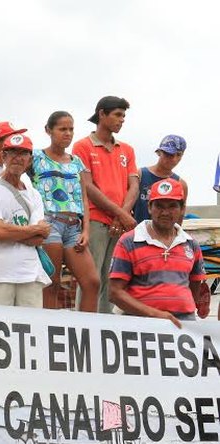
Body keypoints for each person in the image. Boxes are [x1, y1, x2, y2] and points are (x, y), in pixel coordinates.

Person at [72, 95, 139, 313]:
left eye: (124, 116)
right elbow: (88, 187)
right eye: (117, 115)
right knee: (91, 279)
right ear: (102, 114)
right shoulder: (82, 146)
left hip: (121, 223)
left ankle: (106, 327)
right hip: (96, 221)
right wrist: (122, 214)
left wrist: (123, 215)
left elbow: (134, 185)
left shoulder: (126, 149)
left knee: (114, 279)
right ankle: (84, 327)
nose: (122, 120)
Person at [110, 178, 206, 326]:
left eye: (172, 206)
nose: (165, 212)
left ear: (182, 209)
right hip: (141, 324)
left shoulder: (191, 244)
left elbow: (195, 287)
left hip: (184, 326)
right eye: (159, 206)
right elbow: (115, 292)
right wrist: (155, 314)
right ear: (149, 207)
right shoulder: (128, 242)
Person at [31, 111, 100, 311]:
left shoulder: (76, 161)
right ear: (48, 130)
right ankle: (47, 331)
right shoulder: (36, 156)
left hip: (74, 227)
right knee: (51, 283)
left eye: (71, 129)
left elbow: (84, 198)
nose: (67, 133)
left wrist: (86, 230)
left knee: (92, 282)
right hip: (49, 222)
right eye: (62, 129)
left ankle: (88, 331)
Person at [0, 133, 52, 307]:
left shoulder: (35, 195)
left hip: (31, 274)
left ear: (30, 159)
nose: (18, 158)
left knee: (32, 331)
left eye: (23, 153)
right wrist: (33, 230)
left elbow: (38, 239)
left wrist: (4, 230)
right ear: (3, 156)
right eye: (12, 152)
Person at [133, 134, 188, 223]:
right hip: (139, 232)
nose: (173, 159)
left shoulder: (180, 184)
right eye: (168, 154)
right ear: (159, 152)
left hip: (165, 234)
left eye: (178, 155)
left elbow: (179, 216)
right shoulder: (140, 175)